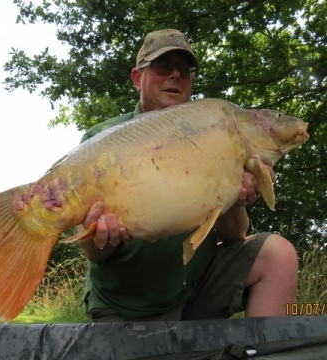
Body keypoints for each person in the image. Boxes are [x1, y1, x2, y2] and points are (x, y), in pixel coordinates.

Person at [77, 29, 298, 322]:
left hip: (194, 291)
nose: (176, 75)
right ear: (137, 78)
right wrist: (104, 234)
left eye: (185, 69)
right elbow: (95, 255)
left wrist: (235, 195)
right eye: (162, 66)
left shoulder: (218, 134)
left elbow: (235, 235)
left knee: (278, 255)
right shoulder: (102, 140)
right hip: (124, 305)